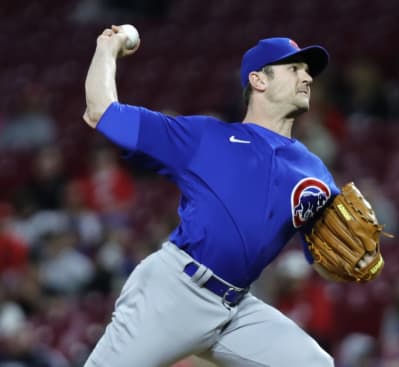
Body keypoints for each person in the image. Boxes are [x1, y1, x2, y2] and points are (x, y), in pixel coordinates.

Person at [81, 25, 377, 367]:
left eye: (308, 71)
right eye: (294, 69)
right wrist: (107, 47)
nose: (307, 77)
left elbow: (326, 259)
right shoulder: (205, 137)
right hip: (175, 293)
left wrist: (354, 262)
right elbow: (100, 110)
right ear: (259, 80)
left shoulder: (314, 172)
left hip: (236, 310)